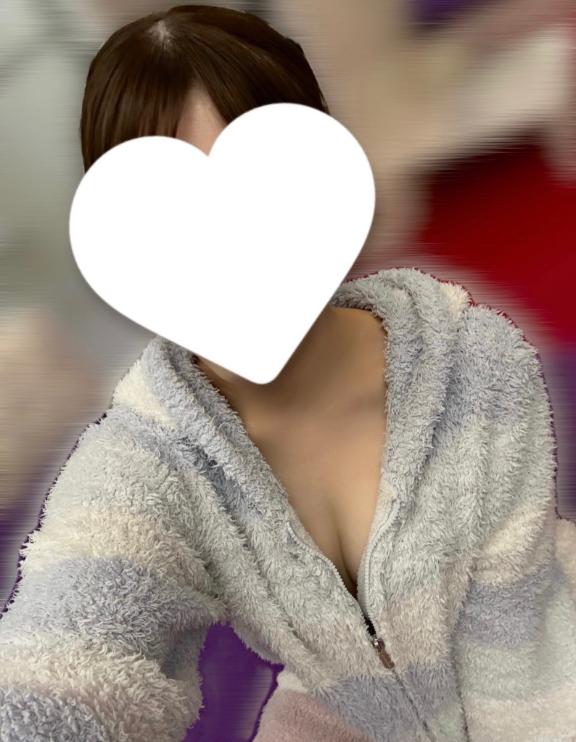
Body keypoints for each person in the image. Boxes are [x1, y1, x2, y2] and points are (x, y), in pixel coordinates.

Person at [1, 5, 575, 741]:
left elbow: (521, 643)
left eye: (262, 189)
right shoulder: (145, 456)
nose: (227, 242)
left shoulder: (474, 361)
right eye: (172, 212)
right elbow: (70, 644)